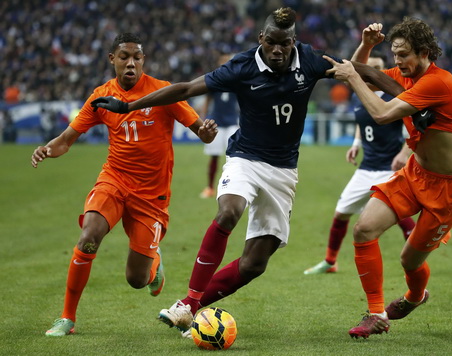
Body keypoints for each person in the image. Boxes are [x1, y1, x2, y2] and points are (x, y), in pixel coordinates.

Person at [91, 7, 370, 336]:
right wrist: (128, 105)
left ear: (293, 42)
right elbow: (184, 89)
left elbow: (358, 71)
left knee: (255, 264)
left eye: (285, 44)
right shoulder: (242, 66)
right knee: (229, 211)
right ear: (261, 39)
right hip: (245, 158)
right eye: (272, 44)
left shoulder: (310, 60)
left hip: (283, 171)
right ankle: (188, 304)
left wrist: (408, 97)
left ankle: (191, 306)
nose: (278, 51)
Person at [31, 33, 217, 337]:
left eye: (137, 57)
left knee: (136, 279)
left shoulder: (163, 92)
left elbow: (200, 130)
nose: (131, 63)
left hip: (151, 197)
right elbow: (67, 139)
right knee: (89, 235)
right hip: (114, 181)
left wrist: (207, 131)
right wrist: (47, 149)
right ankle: (67, 318)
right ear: (112, 60)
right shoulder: (101, 96)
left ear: (143, 60)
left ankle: (154, 264)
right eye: (124, 57)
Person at [325, 19, 452, 338]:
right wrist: (366, 45)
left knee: (409, 261)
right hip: (415, 174)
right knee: (364, 229)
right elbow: (359, 70)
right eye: (394, 57)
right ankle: (376, 314)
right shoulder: (406, 75)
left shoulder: (439, 82)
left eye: (403, 55)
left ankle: (415, 296)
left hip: (449, 190)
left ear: (423, 53)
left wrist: (353, 76)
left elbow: (380, 113)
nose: (397, 64)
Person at [304, 52, 415, 275]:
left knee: (400, 217)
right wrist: (356, 143)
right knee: (341, 213)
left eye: (376, 68)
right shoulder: (359, 95)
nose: (370, 73)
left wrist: (403, 153)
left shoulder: (395, 96)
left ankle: (415, 263)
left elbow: (415, 128)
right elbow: (361, 121)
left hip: (389, 169)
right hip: (366, 168)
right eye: (367, 68)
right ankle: (330, 262)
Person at [199, 53, 240, 199]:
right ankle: (210, 187)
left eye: (227, 61)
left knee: (235, 157)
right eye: (223, 61)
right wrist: (203, 118)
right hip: (217, 122)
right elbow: (207, 100)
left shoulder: (237, 81)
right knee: (214, 156)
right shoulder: (214, 81)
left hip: (232, 122)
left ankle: (234, 188)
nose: (225, 64)